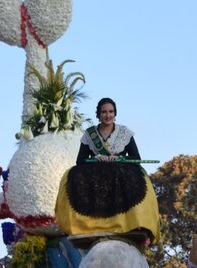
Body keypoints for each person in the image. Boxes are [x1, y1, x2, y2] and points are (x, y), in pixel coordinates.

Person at [58, 97, 159, 245]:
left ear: (115, 114)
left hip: (120, 169)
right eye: (104, 112)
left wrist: (118, 157)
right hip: (95, 170)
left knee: (134, 175)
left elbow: (136, 157)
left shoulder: (124, 132)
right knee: (72, 175)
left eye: (111, 112)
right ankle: (82, 225)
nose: (108, 115)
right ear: (98, 115)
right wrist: (97, 157)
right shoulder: (89, 134)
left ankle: (134, 224)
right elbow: (80, 160)